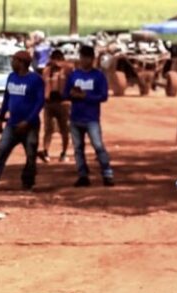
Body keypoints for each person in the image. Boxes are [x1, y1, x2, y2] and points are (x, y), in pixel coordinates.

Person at [0, 50, 45, 191]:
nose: (12, 63)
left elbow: (40, 102)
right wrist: (0, 117)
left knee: (31, 155)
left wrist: (28, 121)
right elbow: (6, 98)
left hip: (30, 125)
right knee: (1, 150)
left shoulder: (35, 79)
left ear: (21, 63)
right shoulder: (11, 77)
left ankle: (28, 182)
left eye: (14, 60)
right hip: (12, 124)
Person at [64, 45, 114, 187]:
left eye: (87, 57)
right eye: (82, 57)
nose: (84, 60)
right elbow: (65, 93)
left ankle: (107, 174)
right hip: (75, 117)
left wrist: (86, 96)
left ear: (92, 59)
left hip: (91, 118)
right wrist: (71, 94)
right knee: (78, 149)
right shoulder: (74, 75)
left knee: (98, 146)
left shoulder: (98, 76)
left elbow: (103, 96)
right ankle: (83, 175)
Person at [40, 49, 73, 163]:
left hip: (64, 103)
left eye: (59, 59)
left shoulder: (68, 70)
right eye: (55, 59)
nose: (57, 62)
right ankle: (45, 152)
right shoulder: (46, 71)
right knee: (48, 129)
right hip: (49, 103)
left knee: (65, 130)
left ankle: (64, 153)